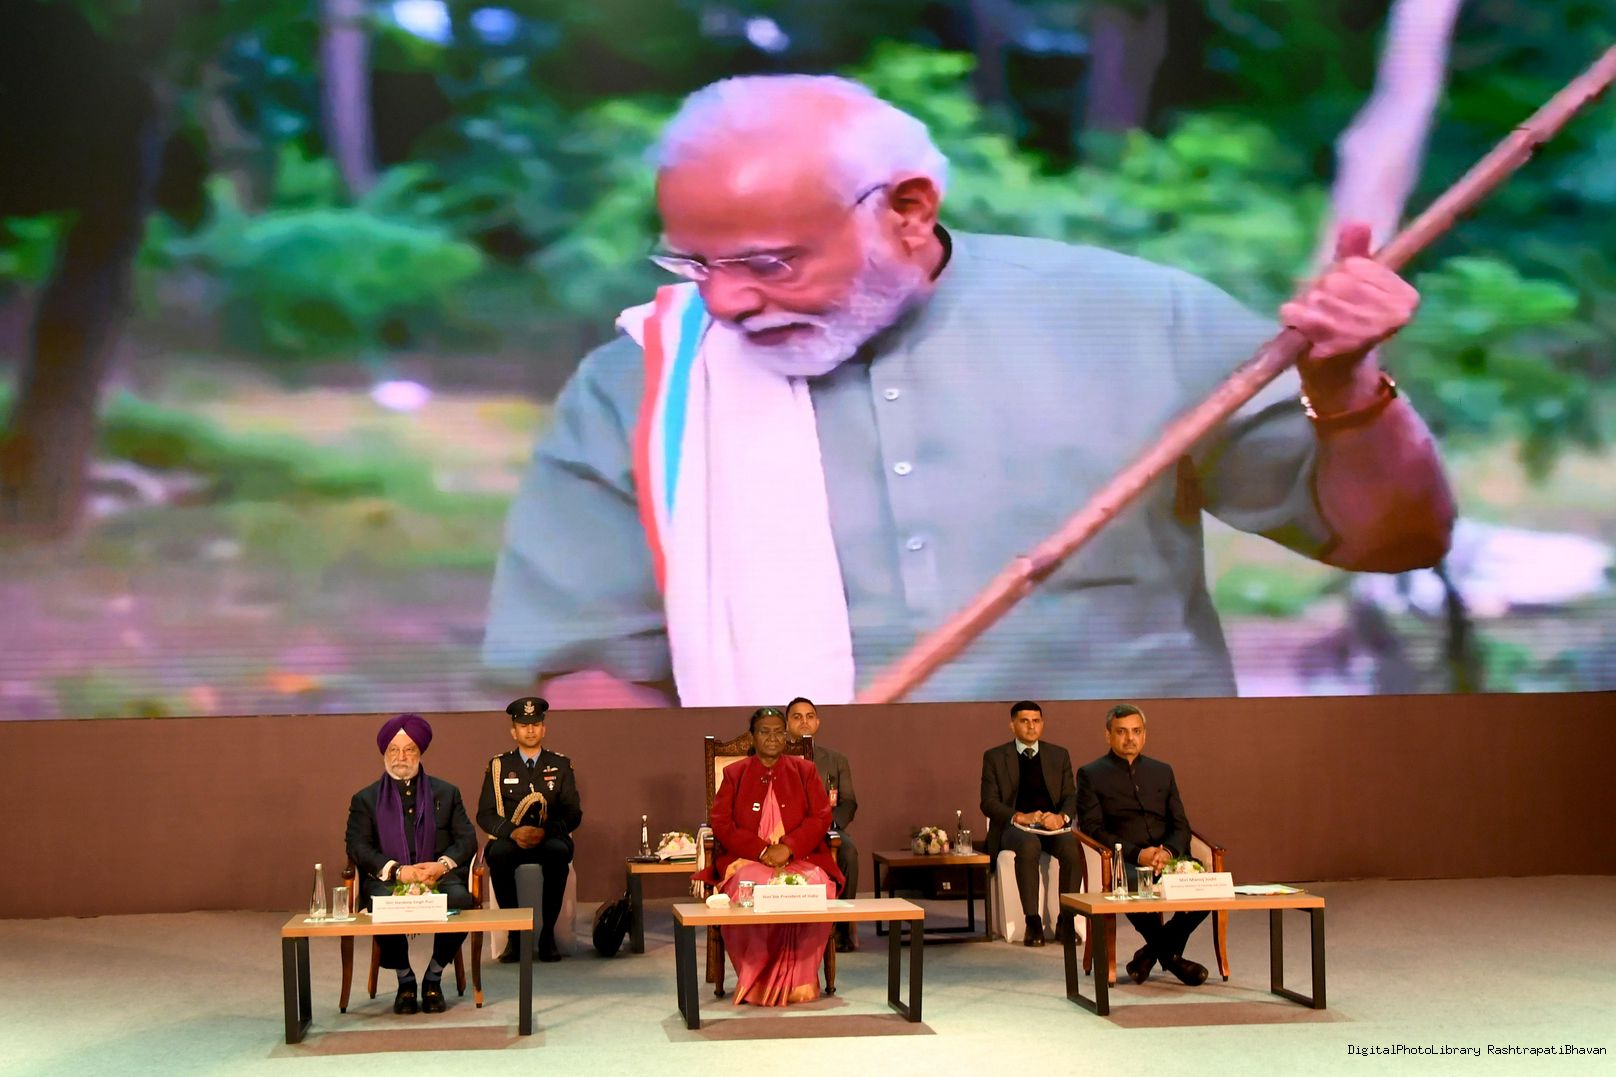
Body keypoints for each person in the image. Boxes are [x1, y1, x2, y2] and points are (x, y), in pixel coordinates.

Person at [483, 73, 1454, 709]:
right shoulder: (644, 382)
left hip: (1126, 840)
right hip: (795, 862)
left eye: (770, 263)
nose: (727, 301)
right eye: (696, 264)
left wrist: (1346, 387)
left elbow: (1392, 540)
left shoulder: (1134, 315)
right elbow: (585, 666)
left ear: (907, 209)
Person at [702, 706, 844, 1005]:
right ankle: (756, 981)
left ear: (786, 736)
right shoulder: (735, 773)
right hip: (748, 860)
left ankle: (800, 982)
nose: (772, 738)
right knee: (752, 887)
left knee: (814, 886)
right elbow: (721, 823)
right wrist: (761, 850)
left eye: (778, 732)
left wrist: (788, 847)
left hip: (801, 858)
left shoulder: (805, 771)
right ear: (753, 736)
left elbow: (821, 817)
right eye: (765, 732)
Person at [345, 714, 476, 1014]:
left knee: (461, 900)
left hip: (437, 877)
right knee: (381, 903)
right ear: (385, 753)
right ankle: (405, 979)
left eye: (409, 750)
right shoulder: (365, 799)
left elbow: (467, 839)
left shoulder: (446, 793)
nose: (401, 757)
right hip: (390, 877)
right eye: (394, 750)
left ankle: (434, 975)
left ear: (420, 753)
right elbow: (357, 846)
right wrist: (397, 870)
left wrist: (441, 866)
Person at [1076, 703, 1208, 986]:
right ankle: (1173, 959)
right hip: (1125, 859)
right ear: (1108, 735)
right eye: (1122, 732)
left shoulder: (1162, 771)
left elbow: (1181, 824)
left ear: (1144, 735)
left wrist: (1167, 852)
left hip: (1168, 857)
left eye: (1136, 731)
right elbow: (1092, 828)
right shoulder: (1091, 774)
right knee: (1131, 884)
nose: (1130, 738)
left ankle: (1149, 954)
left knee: (1206, 886)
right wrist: (1139, 854)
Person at [476, 696, 582, 963]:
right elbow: (485, 814)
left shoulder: (560, 765)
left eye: (535, 724)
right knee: (498, 855)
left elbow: (573, 813)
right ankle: (515, 937)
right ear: (514, 732)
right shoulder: (499, 766)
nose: (530, 730)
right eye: (524, 725)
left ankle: (547, 936)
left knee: (559, 853)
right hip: (513, 839)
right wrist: (513, 832)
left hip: (548, 837)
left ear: (544, 729)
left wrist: (547, 831)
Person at [980, 700, 1082, 946]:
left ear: (1042, 724)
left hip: (1050, 826)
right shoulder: (995, 757)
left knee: (1071, 847)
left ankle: (1066, 920)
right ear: (1012, 725)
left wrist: (1061, 817)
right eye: (1024, 721)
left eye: (1036, 721)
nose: (1031, 726)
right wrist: (1018, 816)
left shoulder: (1059, 755)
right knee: (1028, 845)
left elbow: (1071, 796)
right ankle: (1032, 922)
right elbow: (988, 803)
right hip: (1014, 828)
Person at [785, 695, 859, 950]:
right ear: (787, 724)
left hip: (827, 829)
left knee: (847, 852)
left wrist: (831, 825)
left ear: (817, 722)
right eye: (797, 717)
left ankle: (842, 932)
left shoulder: (835, 760)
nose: (804, 722)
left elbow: (848, 802)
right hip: (786, 832)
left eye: (809, 717)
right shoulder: (776, 757)